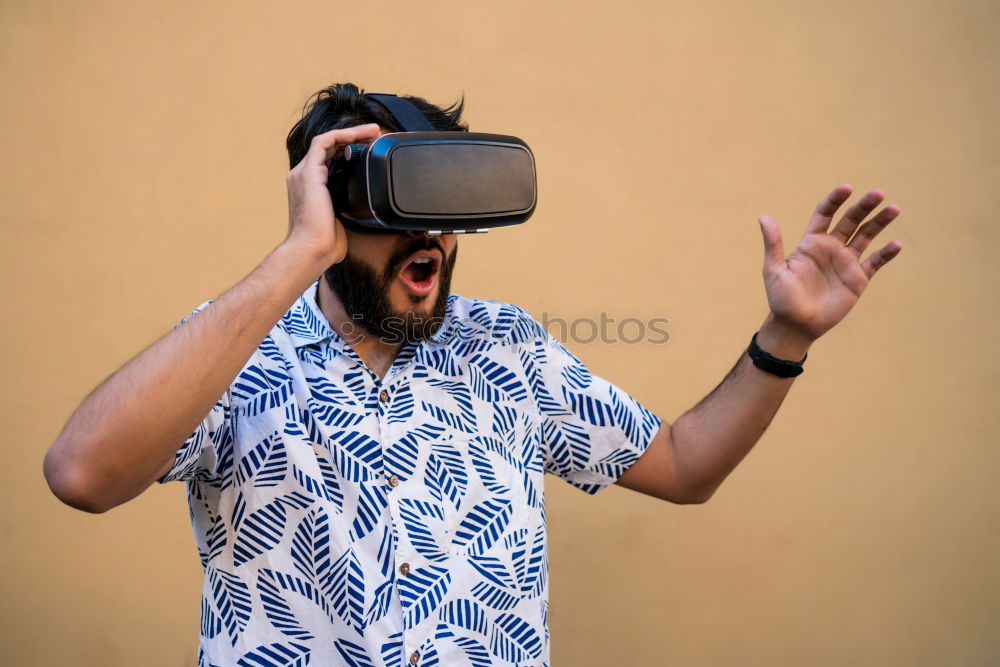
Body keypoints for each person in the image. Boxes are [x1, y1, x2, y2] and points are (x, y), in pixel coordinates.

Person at [42, 82, 903, 666]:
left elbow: (684, 465)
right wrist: (297, 255)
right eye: (406, 200)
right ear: (332, 208)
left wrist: (785, 335)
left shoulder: (509, 348)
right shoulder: (234, 348)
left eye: (451, 205)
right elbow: (83, 474)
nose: (434, 238)